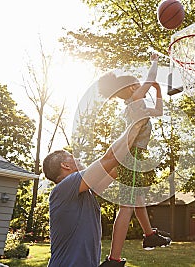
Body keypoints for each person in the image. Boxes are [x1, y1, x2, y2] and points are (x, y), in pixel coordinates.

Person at [43, 107, 150, 267]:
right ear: (65, 165)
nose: (78, 158)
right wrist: (136, 123)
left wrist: (135, 148)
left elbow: (116, 169)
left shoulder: (84, 192)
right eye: (73, 157)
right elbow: (111, 157)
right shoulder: (64, 188)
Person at [97, 54, 171, 267]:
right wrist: (154, 62)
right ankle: (113, 259)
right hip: (131, 157)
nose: (143, 88)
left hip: (134, 157)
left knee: (137, 200)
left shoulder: (137, 107)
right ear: (131, 89)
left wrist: (157, 90)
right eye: (138, 86)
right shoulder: (134, 100)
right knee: (127, 206)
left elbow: (158, 111)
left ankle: (149, 236)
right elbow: (149, 79)